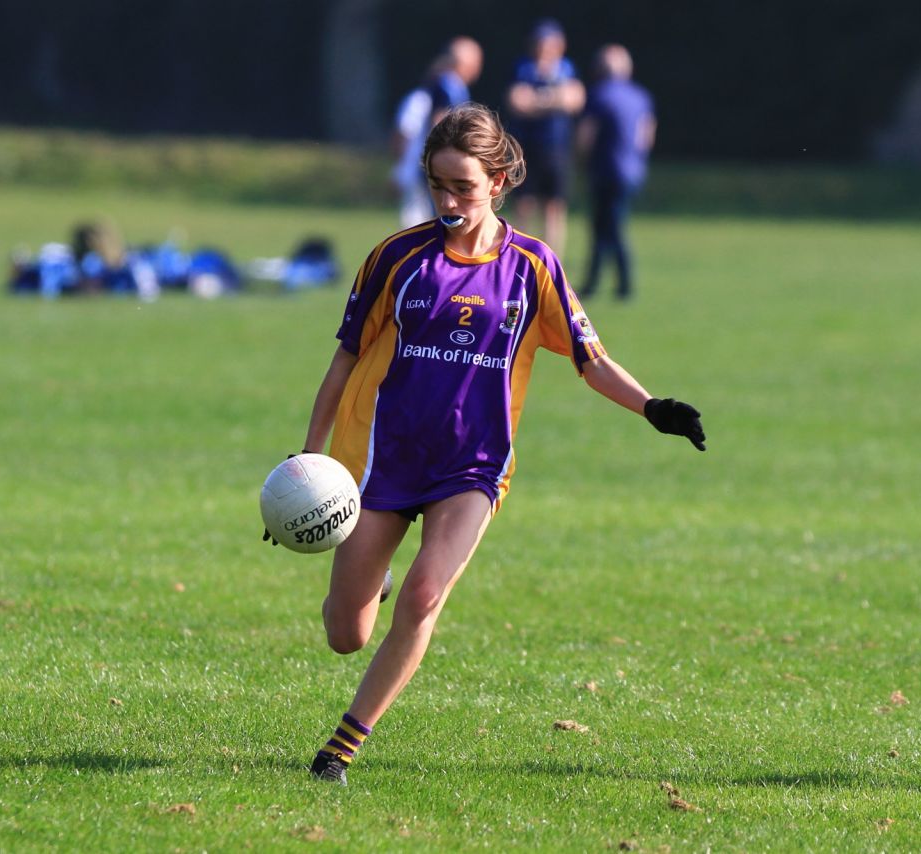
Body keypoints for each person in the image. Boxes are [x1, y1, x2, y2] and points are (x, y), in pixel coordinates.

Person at [291, 103, 706, 785]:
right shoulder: (397, 258)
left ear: (500, 180)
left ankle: (341, 749)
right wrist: (310, 457)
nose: (449, 201)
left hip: (472, 466)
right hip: (380, 459)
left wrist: (652, 407)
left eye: (464, 187)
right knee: (347, 633)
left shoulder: (532, 267)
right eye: (438, 185)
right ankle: (375, 580)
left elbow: (589, 358)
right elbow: (343, 360)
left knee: (426, 595)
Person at [577, 44, 655, 300]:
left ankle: (621, 284)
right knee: (607, 225)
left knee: (609, 227)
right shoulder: (641, 96)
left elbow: (586, 136)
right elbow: (647, 135)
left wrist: (580, 161)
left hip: (605, 170)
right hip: (632, 171)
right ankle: (595, 283)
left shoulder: (599, 95)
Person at [505, 19, 584, 254]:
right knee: (524, 204)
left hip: (556, 149)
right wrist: (554, 99)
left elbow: (575, 99)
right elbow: (517, 101)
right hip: (525, 147)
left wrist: (538, 100)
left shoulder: (566, 68)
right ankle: (519, 256)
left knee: (554, 206)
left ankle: (551, 260)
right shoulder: (522, 68)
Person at [390, 37, 483, 228]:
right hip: (431, 164)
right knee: (423, 222)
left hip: (433, 162)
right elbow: (439, 121)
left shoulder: (453, 86)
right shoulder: (447, 85)